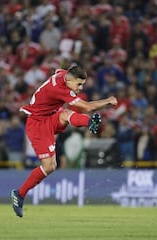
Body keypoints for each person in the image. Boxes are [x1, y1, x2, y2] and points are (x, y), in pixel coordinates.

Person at [11, 65, 118, 217]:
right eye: (78, 84)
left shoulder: (63, 75)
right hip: (38, 125)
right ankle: (19, 194)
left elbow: (58, 71)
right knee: (49, 167)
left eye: (82, 84)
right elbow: (87, 107)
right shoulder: (60, 89)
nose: (80, 88)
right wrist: (108, 101)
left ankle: (90, 123)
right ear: (68, 80)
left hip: (50, 116)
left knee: (66, 113)